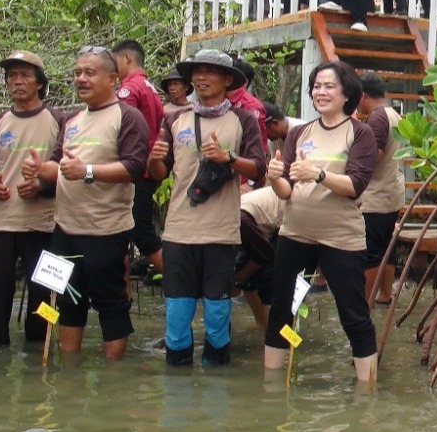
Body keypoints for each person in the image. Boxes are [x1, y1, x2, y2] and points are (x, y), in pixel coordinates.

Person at [261, 60, 380, 382]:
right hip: (295, 232)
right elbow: (286, 190)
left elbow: (355, 186)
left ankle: (366, 392)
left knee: (353, 315)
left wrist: (319, 174)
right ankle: (273, 386)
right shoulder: (299, 133)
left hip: (340, 237)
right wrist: (274, 178)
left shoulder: (360, 133)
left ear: (346, 93)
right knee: (281, 310)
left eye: (329, 86)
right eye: (316, 86)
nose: (321, 92)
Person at [148, 49, 267, 366]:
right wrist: (154, 157)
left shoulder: (244, 120)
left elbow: (258, 169)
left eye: (210, 72)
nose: (201, 78)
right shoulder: (174, 119)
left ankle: (216, 396)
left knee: (217, 319)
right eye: (196, 72)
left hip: (220, 234)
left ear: (228, 79)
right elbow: (160, 173)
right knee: (177, 318)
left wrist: (227, 158)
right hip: (178, 233)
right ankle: (177, 394)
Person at [34, 46, 150, 359]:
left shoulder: (128, 117)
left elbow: (135, 168)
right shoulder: (71, 120)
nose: (81, 79)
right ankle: (67, 367)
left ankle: (114, 380)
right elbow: (59, 166)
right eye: (77, 73)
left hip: (106, 230)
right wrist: (38, 169)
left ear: (113, 78)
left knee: (111, 304)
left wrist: (86, 171)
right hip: (65, 227)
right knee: (65, 299)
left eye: (90, 73)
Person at [0, 51, 63, 347]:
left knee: (46, 290)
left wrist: (42, 186)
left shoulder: (58, 120)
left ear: (39, 82)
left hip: (45, 224)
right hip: (1, 222)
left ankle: (41, 349)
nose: (17, 81)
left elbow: (68, 168)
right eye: (12, 76)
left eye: (24, 75)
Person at [112, 39, 166, 277]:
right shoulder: (149, 87)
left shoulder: (129, 89)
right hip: (148, 167)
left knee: (141, 231)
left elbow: (121, 126)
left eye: (114, 62)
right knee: (123, 235)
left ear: (127, 59)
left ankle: (178, 284)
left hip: (136, 170)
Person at [356, 72, 403, 304]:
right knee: (387, 247)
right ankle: (386, 295)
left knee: (372, 251)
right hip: (392, 192)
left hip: (376, 195)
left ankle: (367, 300)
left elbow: (373, 155)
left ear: (363, 95)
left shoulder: (377, 118)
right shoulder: (394, 114)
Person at [237, 185, 284, 334]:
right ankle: (261, 325)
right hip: (261, 222)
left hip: (283, 218)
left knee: (269, 279)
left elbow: (265, 255)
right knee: (246, 277)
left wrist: (237, 278)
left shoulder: (239, 219)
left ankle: (275, 336)